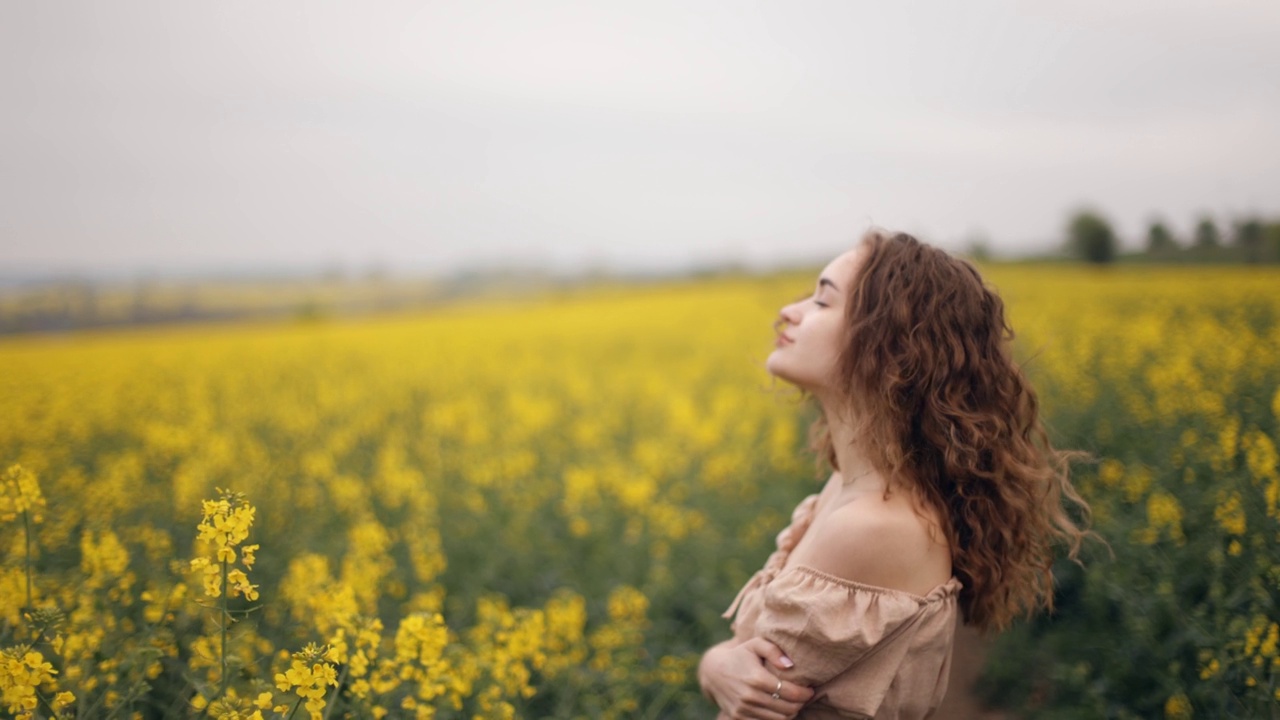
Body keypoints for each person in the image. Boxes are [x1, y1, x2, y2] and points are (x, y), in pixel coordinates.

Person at [697, 229, 1093, 719]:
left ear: (888, 343)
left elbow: (756, 703)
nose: (790, 311)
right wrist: (715, 667)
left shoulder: (872, 526)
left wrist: (716, 669)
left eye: (823, 301)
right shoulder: (846, 487)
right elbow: (748, 668)